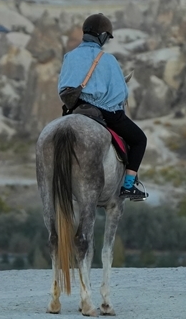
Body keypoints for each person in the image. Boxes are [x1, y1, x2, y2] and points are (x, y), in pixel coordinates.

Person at [58, 13, 148, 200]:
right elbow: (120, 94)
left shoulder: (70, 56)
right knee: (140, 139)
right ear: (103, 36)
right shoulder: (108, 60)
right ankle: (129, 186)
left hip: (76, 109)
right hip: (104, 111)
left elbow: (63, 88)